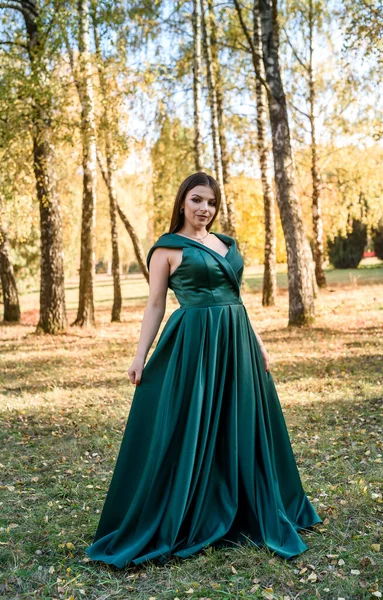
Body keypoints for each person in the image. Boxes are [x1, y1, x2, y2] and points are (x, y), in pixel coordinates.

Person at [86, 172, 322, 569]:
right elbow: (156, 305)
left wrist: (258, 342)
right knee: (192, 423)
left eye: (211, 203)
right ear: (183, 202)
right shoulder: (166, 249)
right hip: (194, 344)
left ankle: (246, 503)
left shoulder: (225, 244)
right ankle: (191, 506)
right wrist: (139, 355)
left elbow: (236, 299)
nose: (204, 209)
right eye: (197, 200)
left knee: (240, 421)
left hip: (235, 341)